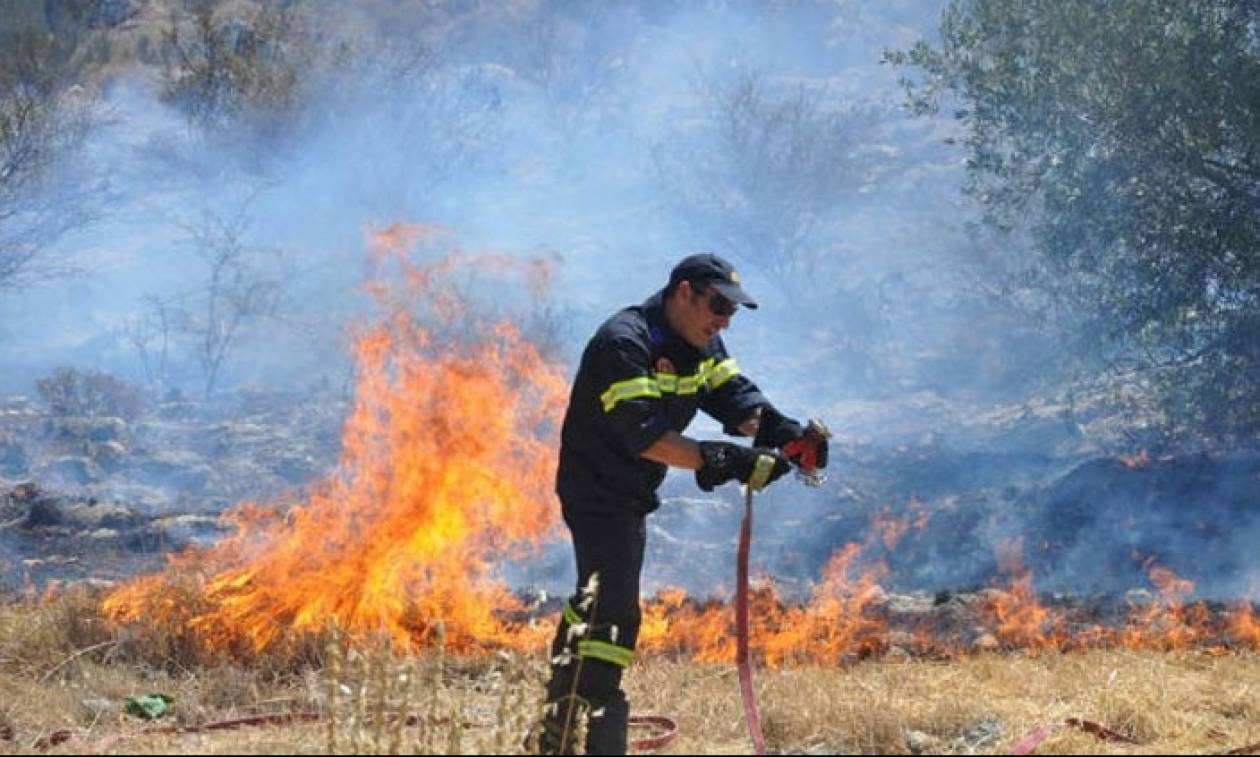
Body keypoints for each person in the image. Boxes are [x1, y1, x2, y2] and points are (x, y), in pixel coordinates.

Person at [535, 253, 828, 755]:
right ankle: (596, 721)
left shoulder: (702, 342)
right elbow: (648, 439)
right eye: (718, 305)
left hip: (632, 491)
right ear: (684, 292)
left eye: (732, 312)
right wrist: (729, 461)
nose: (724, 320)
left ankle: (558, 729)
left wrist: (784, 433)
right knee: (614, 608)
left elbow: (734, 400)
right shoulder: (623, 343)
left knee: (598, 598)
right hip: (596, 488)